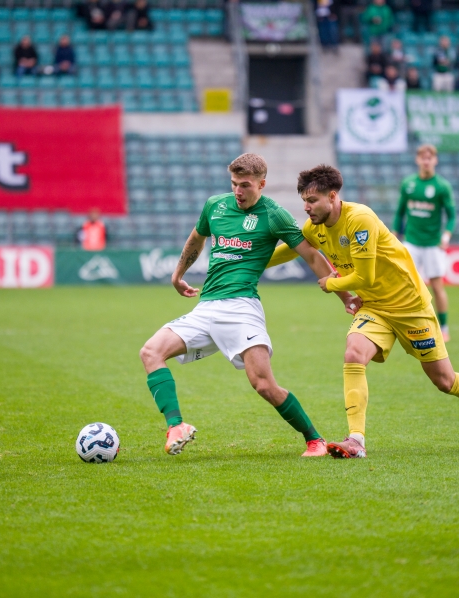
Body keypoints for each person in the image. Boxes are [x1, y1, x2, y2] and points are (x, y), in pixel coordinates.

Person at [267, 165, 459, 459]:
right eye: (304, 201)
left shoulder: (359, 219)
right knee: (353, 353)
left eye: (312, 200)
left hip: (410, 306)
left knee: (444, 380)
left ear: (332, 197)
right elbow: (295, 248)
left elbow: (365, 277)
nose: (306, 208)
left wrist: (331, 283)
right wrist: (254, 262)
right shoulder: (315, 226)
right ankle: (356, 440)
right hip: (374, 307)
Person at [138, 154, 354, 457]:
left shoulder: (274, 215)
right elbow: (196, 239)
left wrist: (345, 296)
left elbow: (312, 256)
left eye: (245, 185)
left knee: (264, 385)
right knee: (150, 352)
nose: (238, 191)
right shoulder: (215, 205)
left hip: (241, 308)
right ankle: (176, 426)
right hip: (206, 307)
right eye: (234, 184)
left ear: (261, 184)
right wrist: (178, 275)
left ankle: (314, 440)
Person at [393, 144, 455, 342]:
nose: (426, 161)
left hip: (432, 244)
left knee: (437, 287)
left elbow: (451, 216)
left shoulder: (442, 186)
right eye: (423, 158)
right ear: (417, 160)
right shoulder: (408, 184)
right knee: (407, 285)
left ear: (435, 160)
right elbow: (400, 212)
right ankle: (408, 325)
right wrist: (395, 234)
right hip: (411, 241)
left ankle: (443, 328)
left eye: (430, 158)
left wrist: (446, 236)